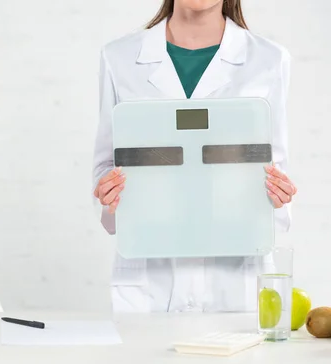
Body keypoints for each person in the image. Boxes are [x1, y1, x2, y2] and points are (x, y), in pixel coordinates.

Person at [92, 0, 298, 313]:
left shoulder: (269, 60)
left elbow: (275, 167)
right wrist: (107, 195)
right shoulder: (118, 58)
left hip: (235, 280)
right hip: (150, 281)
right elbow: (106, 165)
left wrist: (279, 194)